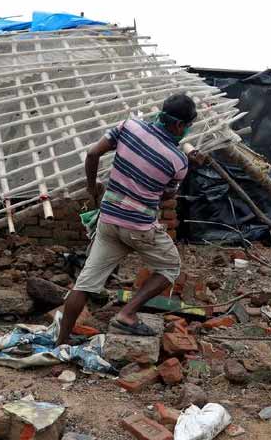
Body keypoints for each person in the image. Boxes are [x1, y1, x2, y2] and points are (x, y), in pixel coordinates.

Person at [55, 93, 202, 345]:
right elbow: (167, 195)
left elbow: (92, 154)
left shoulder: (128, 126)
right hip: (139, 227)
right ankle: (127, 313)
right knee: (170, 266)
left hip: (109, 219)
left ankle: (61, 340)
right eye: (187, 125)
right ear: (179, 125)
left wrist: (93, 187)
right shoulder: (179, 160)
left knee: (85, 284)